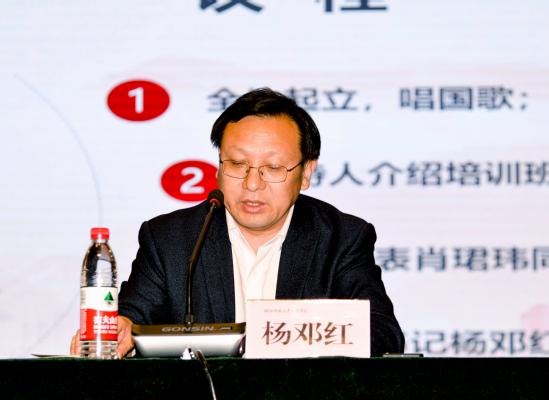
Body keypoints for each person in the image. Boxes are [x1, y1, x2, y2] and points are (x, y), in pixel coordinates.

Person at [71, 88, 404, 358]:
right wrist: (120, 330)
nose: (252, 183)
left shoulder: (342, 238)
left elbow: (382, 332)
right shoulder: (170, 239)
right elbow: (133, 316)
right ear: (219, 166)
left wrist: (292, 335)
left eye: (273, 168)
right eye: (237, 163)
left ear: (306, 173)